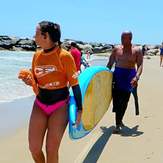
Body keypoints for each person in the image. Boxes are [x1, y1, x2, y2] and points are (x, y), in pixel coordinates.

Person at [18, 21, 83, 163]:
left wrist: (79, 109)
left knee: (51, 150)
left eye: (36, 34)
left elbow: (75, 85)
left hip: (59, 106)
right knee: (34, 148)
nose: (33, 36)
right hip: (40, 104)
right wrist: (29, 80)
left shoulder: (64, 56)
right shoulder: (36, 56)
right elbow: (36, 81)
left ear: (45, 36)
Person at [107, 31, 143, 133]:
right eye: (122, 37)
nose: (122, 40)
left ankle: (119, 120)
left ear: (130, 38)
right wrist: (104, 77)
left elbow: (140, 65)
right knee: (117, 101)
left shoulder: (137, 50)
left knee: (125, 101)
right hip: (117, 77)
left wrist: (137, 77)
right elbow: (109, 64)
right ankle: (118, 124)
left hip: (130, 78)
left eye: (125, 38)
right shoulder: (116, 49)